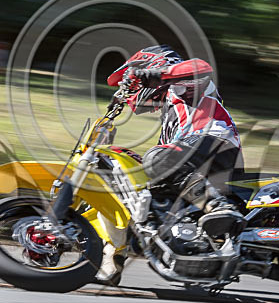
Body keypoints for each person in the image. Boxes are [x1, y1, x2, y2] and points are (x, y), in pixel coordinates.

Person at [95, 45, 244, 284]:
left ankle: (219, 207)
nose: (134, 91)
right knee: (129, 188)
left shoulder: (183, 85)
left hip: (217, 145)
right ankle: (111, 262)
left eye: (135, 81)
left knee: (156, 158)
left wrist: (157, 75)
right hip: (191, 157)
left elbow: (200, 67)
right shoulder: (171, 117)